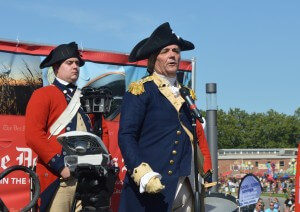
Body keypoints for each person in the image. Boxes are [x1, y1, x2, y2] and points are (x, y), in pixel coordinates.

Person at [118, 22, 212, 212]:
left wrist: (205, 170)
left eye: (176, 51)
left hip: (187, 182)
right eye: (165, 51)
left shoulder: (186, 94)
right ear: (153, 59)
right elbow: (126, 135)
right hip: (153, 183)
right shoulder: (141, 91)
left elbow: (197, 135)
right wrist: (143, 174)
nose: (172, 55)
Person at [25, 42, 109, 211]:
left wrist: (102, 159)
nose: (75, 67)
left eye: (77, 63)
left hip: (87, 177)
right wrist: (59, 166)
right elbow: (33, 135)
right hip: (59, 176)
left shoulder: (85, 97)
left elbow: (102, 131)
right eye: (69, 63)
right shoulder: (43, 94)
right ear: (56, 67)